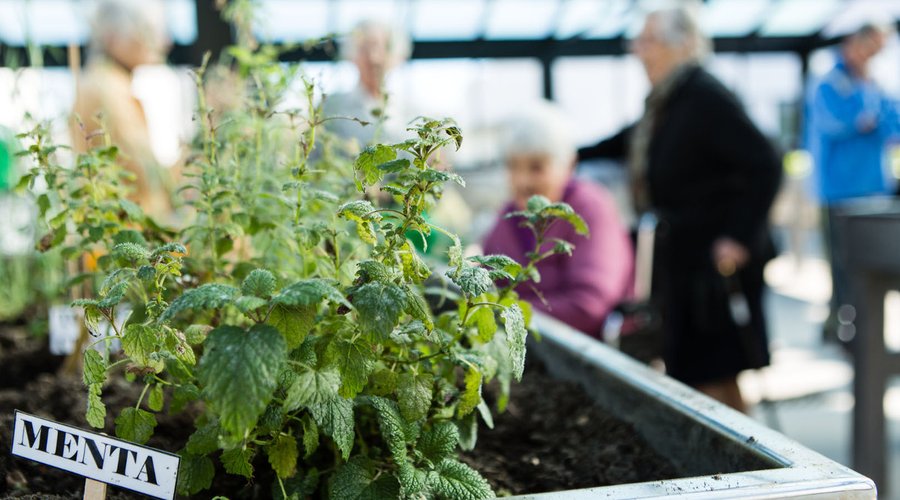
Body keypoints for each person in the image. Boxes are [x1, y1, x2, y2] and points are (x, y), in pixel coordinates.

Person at [578, 6, 782, 412]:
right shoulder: (669, 102)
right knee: (698, 372)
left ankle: (742, 468)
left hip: (713, 267)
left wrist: (738, 237)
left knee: (714, 373)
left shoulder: (704, 96)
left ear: (682, 45)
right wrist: (571, 153)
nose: (638, 51)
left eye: (647, 41)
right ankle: (732, 465)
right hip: (686, 261)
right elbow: (630, 140)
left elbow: (765, 163)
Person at [483, 101, 634, 337]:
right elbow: (487, 284)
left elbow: (589, 306)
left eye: (536, 167)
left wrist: (506, 314)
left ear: (569, 165)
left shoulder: (590, 208)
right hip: (522, 346)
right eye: (513, 167)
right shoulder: (507, 216)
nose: (523, 181)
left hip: (588, 351)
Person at [803, 22, 900, 343]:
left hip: (873, 188)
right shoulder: (829, 84)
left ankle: (864, 326)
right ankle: (839, 323)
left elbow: (891, 127)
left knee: (872, 265)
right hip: (839, 191)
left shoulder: (875, 84)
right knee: (841, 264)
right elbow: (834, 124)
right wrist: (863, 120)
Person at [70, 0, 173, 219]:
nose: (164, 42)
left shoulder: (112, 85)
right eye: (147, 31)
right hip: (126, 236)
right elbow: (144, 178)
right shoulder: (106, 91)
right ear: (112, 36)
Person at [322, 19, 412, 153]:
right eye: (365, 49)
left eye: (384, 48)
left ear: (397, 57)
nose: (374, 58)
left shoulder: (412, 111)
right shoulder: (332, 106)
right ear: (351, 55)